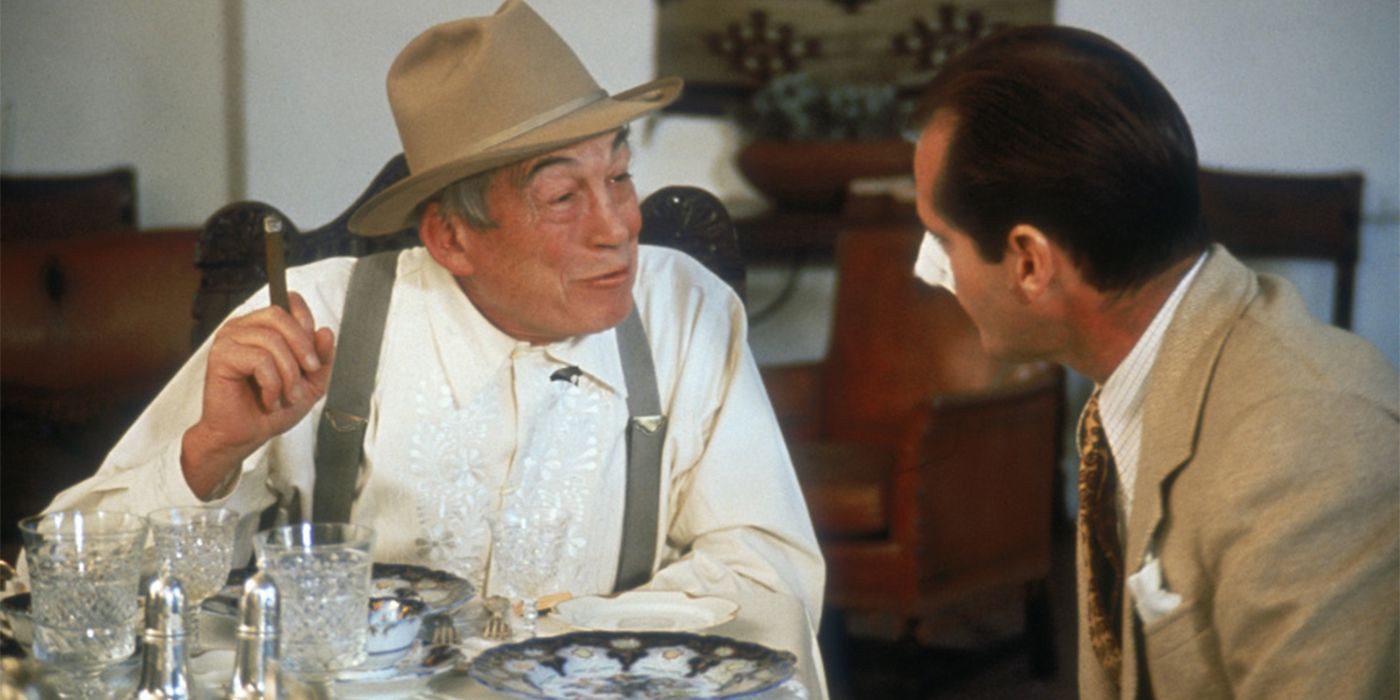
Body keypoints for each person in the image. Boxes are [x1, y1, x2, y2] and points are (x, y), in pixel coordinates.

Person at [37, 0, 824, 624]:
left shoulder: (684, 311)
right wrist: (211, 452)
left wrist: (555, 643)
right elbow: (75, 578)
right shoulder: (314, 319)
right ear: (450, 237)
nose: (619, 226)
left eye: (618, 176)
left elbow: (769, 575)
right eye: (562, 196)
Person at [908, 25, 1397, 700]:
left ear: (1030, 263)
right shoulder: (1129, 379)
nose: (927, 269)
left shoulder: (1313, 443)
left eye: (941, 238)